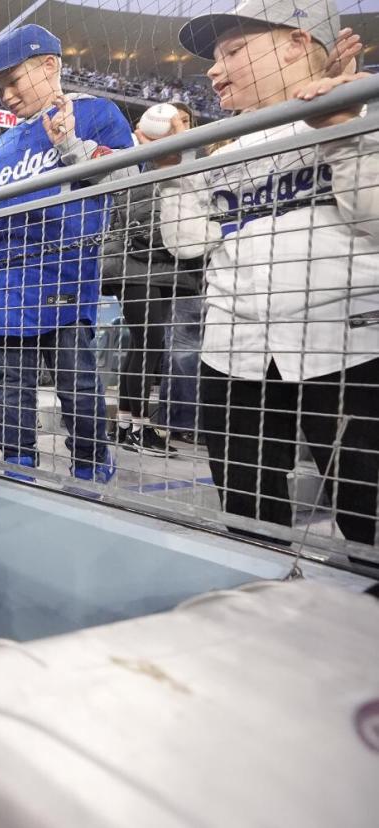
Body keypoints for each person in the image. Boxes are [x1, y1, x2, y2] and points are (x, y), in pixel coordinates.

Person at [151, 0, 378, 546]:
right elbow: (188, 245)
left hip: (350, 344)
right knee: (250, 519)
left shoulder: (367, 107)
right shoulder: (222, 145)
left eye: (234, 50)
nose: (213, 68)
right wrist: (174, 176)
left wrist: (342, 128)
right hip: (234, 350)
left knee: (369, 514)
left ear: (297, 44)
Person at [0, 25, 135, 483]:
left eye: (13, 81)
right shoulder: (4, 142)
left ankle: (89, 465)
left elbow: (125, 181)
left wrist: (68, 145)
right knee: (13, 387)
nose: (5, 95)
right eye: (0, 87)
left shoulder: (94, 112)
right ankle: (17, 464)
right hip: (3, 282)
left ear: (49, 66)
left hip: (61, 274)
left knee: (78, 384)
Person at [100, 102, 204, 456]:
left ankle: (130, 425)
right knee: (149, 345)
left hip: (160, 269)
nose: (180, 127)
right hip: (134, 266)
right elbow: (142, 218)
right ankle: (137, 429)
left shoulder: (184, 160)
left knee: (145, 345)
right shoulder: (137, 159)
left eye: (187, 122)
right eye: (176, 122)